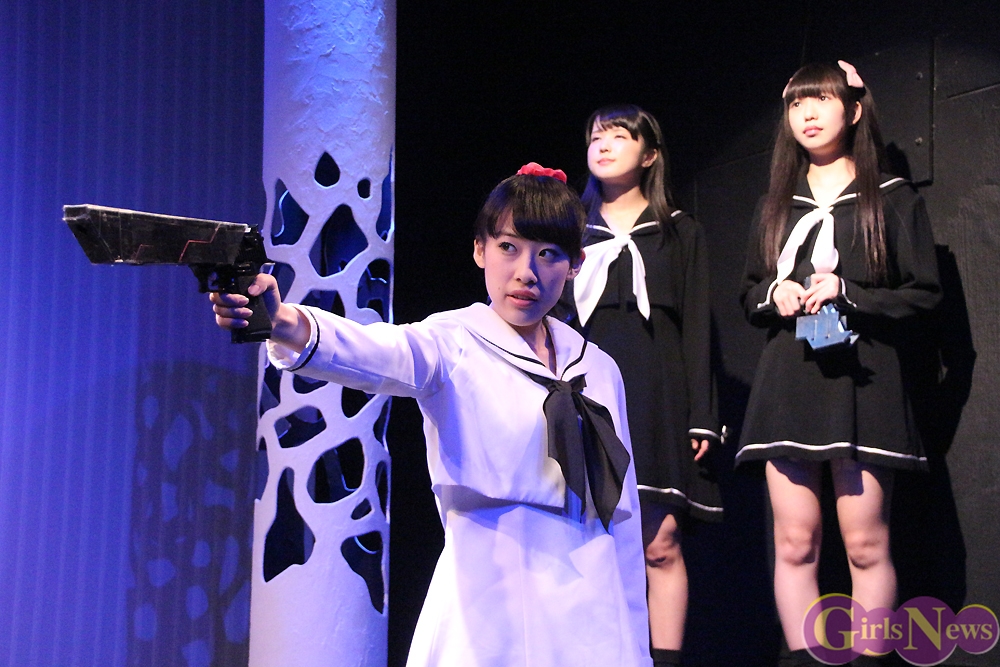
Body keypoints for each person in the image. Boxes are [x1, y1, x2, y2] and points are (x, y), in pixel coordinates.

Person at [211, 164, 652, 667]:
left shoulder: (598, 367)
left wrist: (637, 650)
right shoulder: (453, 342)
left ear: (575, 264)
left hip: (593, 610)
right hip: (490, 598)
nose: (526, 272)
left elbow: (624, 519)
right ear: (480, 250)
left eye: (548, 254)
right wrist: (283, 321)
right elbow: (374, 351)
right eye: (509, 247)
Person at [736, 62, 941, 666]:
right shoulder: (776, 204)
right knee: (795, 542)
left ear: (853, 110)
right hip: (789, 380)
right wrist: (774, 295)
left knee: (865, 544)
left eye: (822, 99)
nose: (807, 113)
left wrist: (850, 293)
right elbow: (747, 293)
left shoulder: (892, 198)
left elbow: (924, 294)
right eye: (797, 103)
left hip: (863, 381)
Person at [557, 104, 723, 667]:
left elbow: (697, 328)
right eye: (595, 137)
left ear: (649, 154)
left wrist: (703, 416)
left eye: (618, 136)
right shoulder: (571, 231)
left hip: (658, 397)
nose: (603, 146)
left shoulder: (680, 231)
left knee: (660, 543)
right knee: (587, 543)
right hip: (585, 395)